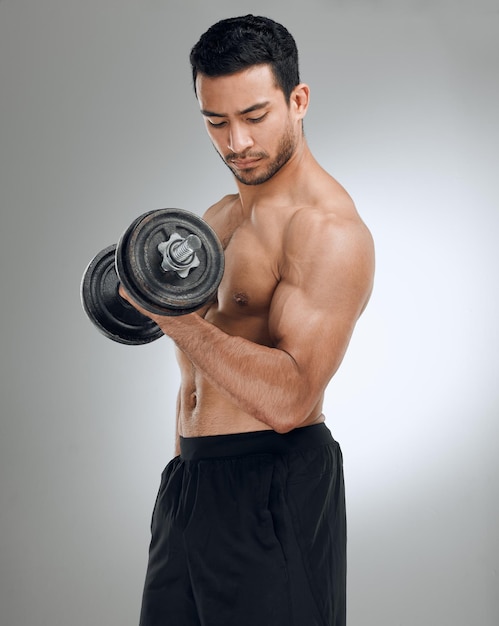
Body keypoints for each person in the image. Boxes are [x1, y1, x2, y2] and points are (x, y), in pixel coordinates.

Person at [121, 14, 374, 626]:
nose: (236, 142)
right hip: (190, 485)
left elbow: (290, 398)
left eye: (255, 116)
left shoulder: (328, 231)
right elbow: (197, 371)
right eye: (217, 121)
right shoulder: (219, 216)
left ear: (298, 100)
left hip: (272, 485)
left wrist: (171, 318)